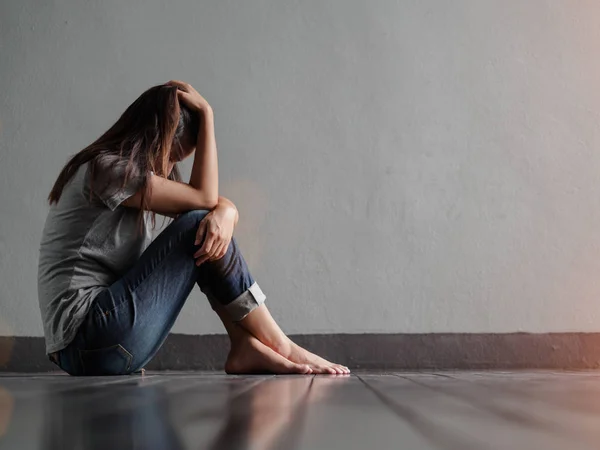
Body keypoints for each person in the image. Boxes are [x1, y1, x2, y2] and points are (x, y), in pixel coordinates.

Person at [37, 80, 349, 376]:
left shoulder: (129, 175)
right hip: (90, 338)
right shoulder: (107, 170)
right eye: (170, 156)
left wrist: (228, 210)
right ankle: (281, 345)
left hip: (101, 347)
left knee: (206, 228)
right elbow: (203, 201)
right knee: (201, 223)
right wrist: (208, 116)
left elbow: (206, 205)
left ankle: (244, 344)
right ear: (153, 138)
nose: (169, 168)